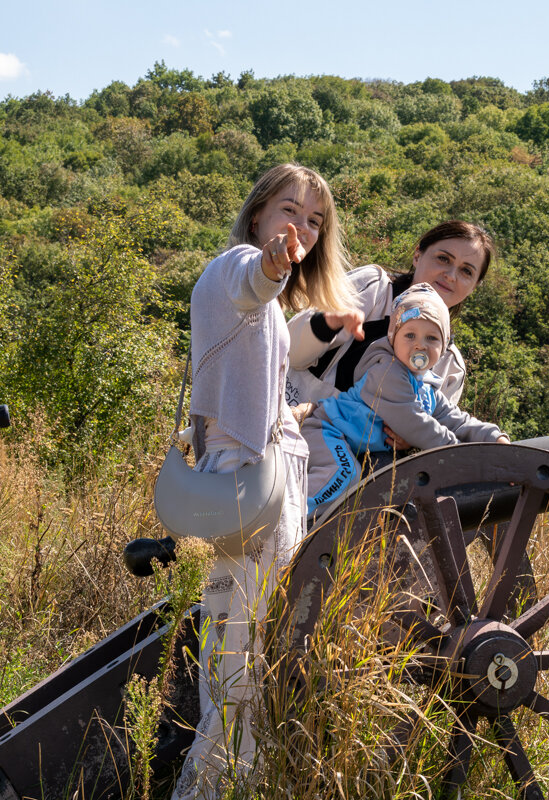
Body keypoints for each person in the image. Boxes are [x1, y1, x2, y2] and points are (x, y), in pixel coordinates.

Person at [171, 163, 359, 800]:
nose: (300, 228)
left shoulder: (264, 299)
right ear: (258, 213)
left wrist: (301, 410)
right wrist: (274, 265)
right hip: (254, 482)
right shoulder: (239, 265)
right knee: (241, 667)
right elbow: (255, 280)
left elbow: (254, 386)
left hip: (265, 477)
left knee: (245, 655)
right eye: (289, 210)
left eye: (314, 220)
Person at [302, 283, 510, 516]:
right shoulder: (387, 373)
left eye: (432, 338)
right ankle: (291, 518)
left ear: (443, 347)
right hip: (327, 429)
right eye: (410, 335)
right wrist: (461, 456)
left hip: (343, 438)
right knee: (343, 473)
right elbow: (415, 424)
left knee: (349, 476)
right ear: (393, 338)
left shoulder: (426, 386)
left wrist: (493, 436)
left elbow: (456, 420)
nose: (420, 344)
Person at [286, 220, 495, 417]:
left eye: (466, 271)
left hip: (352, 454)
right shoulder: (374, 289)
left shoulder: (450, 365)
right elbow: (290, 352)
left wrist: (407, 439)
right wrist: (327, 323)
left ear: (474, 286)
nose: (450, 275)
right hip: (287, 422)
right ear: (417, 255)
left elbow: (434, 434)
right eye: (443, 258)